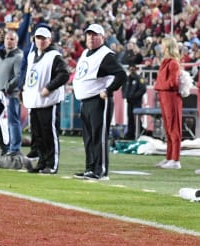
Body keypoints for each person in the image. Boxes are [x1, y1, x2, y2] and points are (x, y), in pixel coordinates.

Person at [72, 24, 126, 181]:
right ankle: (90, 167)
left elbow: (121, 74)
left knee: (98, 136)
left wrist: (108, 91)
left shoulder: (106, 55)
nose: (91, 37)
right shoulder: (86, 53)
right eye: (89, 34)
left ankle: (100, 170)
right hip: (86, 100)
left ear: (102, 37)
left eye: (95, 35)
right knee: (88, 137)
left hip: (98, 100)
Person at [21, 26, 70, 174]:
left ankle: (52, 164)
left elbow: (64, 74)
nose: (41, 41)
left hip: (48, 101)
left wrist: (49, 87)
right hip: (35, 101)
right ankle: (42, 162)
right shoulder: (32, 55)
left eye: (44, 38)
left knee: (49, 133)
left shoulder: (54, 56)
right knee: (37, 135)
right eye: (38, 38)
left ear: (49, 39)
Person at [153, 37, 183, 169]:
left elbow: (174, 83)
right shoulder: (165, 62)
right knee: (168, 128)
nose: (161, 47)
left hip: (171, 97)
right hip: (164, 96)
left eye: (163, 45)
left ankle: (176, 160)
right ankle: (169, 157)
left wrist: (162, 85)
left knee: (174, 128)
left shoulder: (173, 63)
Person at [0, 29, 24, 155]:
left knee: (13, 121)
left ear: (16, 41)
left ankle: (15, 148)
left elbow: (18, 76)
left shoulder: (18, 56)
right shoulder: (0, 55)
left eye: (12, 39)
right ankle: (5, 146)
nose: (9, 41)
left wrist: (7, 87)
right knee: (2, 122)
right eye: (7, 39)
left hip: (10, 95)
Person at [121, 63, 147, 140]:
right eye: (130, 68)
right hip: (129, 101)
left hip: (137, 101)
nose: (131, 70)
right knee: (130, 117)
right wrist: (125, 95)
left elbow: (143, 89)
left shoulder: (139, 78)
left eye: (133, 68)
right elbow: (124, 88)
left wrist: (135, 96)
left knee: (137, 118)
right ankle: (130, 133)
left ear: (135, 69)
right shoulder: (127, 79)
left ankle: (139, 132)